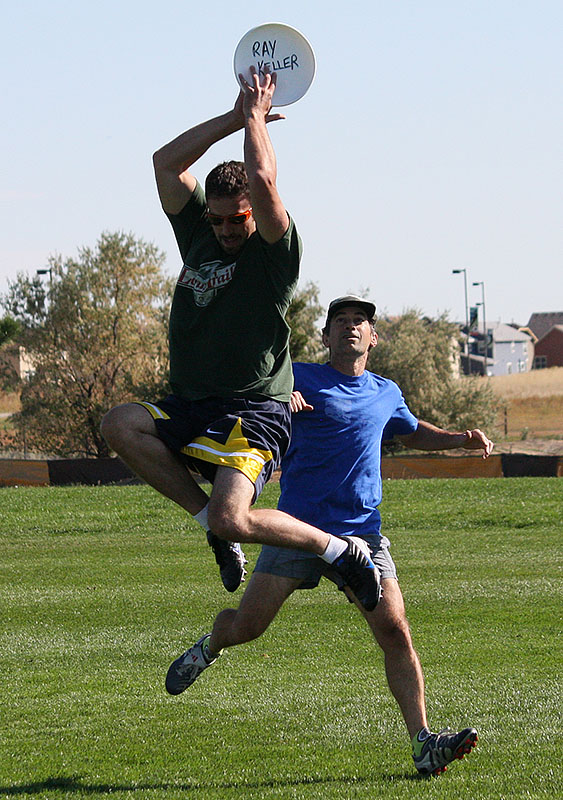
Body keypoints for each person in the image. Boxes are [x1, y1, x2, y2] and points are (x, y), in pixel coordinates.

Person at [165, 295, 494, 778]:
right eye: (339, 322)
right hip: (298, 531)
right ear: (325, 337)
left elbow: (410, 431)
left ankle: (423, 742)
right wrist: (283, 399)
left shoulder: (386, 391)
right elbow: (256, 407)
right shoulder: (295, 376)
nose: (349, 328)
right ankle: (210, 646)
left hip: (364, 535)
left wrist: (458, 438)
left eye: (359, 321)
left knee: (395, 630)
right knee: (247, 627)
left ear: (373, 336)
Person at [100, 75, 381, 611]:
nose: (227, 230)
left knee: (239, 516)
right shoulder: (202, 234)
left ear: (255, 211)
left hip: (255, 408)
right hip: (190, 402)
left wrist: (255, 118)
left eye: (238, 218)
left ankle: (339, 551)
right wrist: (232, 117)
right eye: (218, 219)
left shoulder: (273, 255)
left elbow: (265, 180)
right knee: (119, 423)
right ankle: (213, 528)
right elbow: (164, 162)